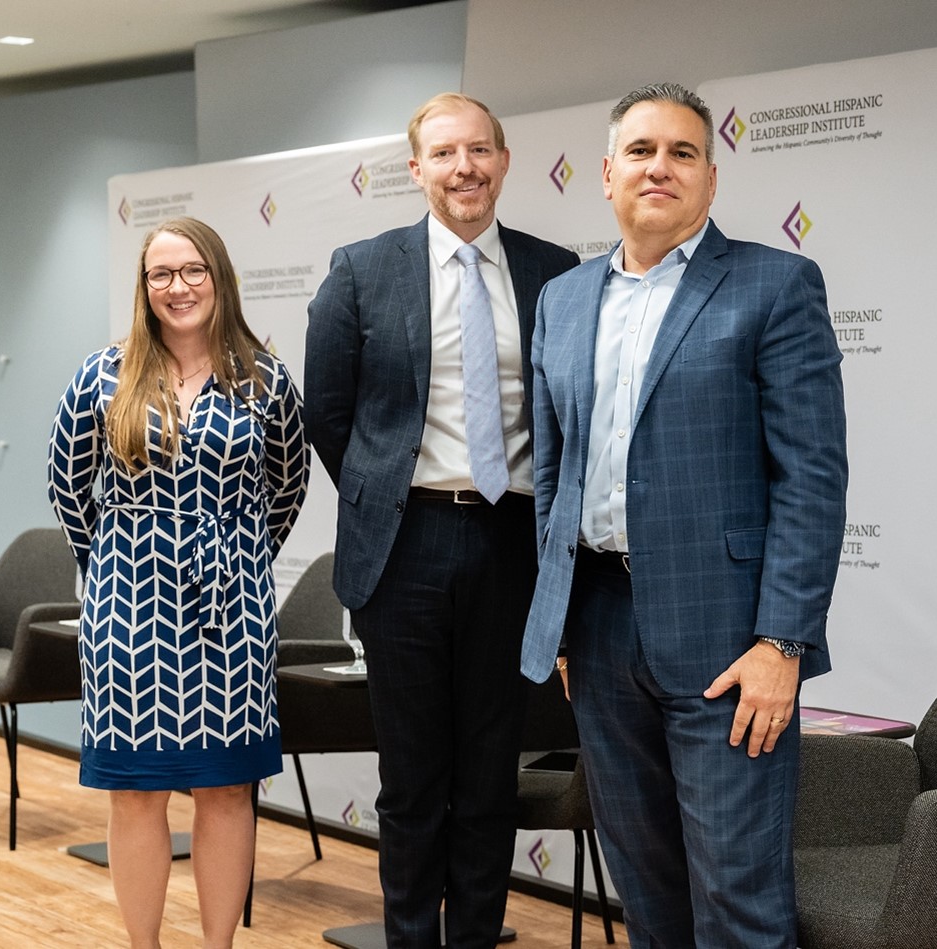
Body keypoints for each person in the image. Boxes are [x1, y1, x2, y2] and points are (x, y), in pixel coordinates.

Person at [521, 83, 848, 948]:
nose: (658, 167)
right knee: (649, 892)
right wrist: (557, 623)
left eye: (682, 153)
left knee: (738, 899)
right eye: (640, 151)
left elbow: (812, 478)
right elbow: (555, 469)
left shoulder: (775, 285)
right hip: (597, 629)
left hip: (728, 640)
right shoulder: (563, 299)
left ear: (710, 177)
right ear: (606, 174)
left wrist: (785, 643)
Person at [304, 93, 578, 948]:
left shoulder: (557, 271)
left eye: (480, 151)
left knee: (491, 772)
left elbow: (570, 409)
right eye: (445, 153)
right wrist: (385, 493)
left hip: (513, 544)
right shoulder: (361, 268)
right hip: (405, 547)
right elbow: (328, 412)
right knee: (414, 774)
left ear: (503, 159)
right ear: (417, 167)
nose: (465, 168)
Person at [47, 216, 308, 949]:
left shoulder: (265, 380)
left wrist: (235, 554)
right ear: (144, 287)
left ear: (218, 276)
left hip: (235, 618)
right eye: (161, 274)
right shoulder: (102, 375)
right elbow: (68, 492)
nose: (177, 286)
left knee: (226, 790)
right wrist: (120, 566)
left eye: (192, 270)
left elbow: (286, 490)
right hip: (128, 613)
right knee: (137, 794)